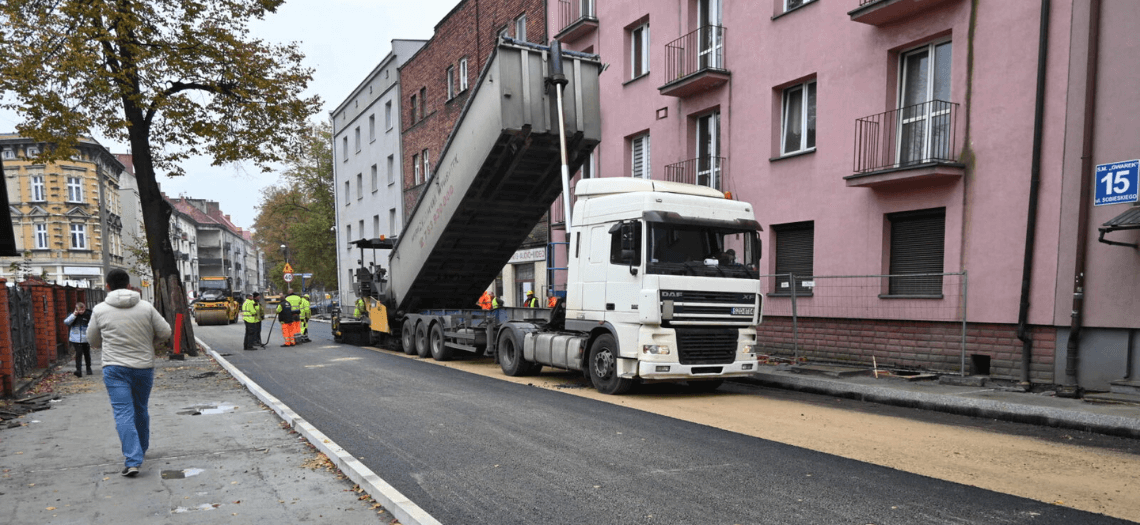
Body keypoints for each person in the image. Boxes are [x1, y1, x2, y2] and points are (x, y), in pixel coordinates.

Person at [87, 268, 172, 478]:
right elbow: (165, 332)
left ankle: (133, 460)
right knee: (140, 409)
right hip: (143, 366)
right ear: (128, 285)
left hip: (114, 368)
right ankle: (141, 450)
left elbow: (93, 341)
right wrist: (149, 342)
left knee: (123, 412)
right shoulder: (146, 307)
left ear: (107, 286)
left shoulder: (99, 310)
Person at [64, 301, 92, 377]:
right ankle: (78, 370)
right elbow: (66, 322)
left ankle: (88, 368)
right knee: (78, 353)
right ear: (76, 309)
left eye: (83, 310)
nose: (81, 312)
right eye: (79, 310)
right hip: (75, 338)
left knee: (86, 353)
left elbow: (93, 324)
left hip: (86, 338)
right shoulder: (72, 315)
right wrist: (74, 315)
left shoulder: (89, 314)